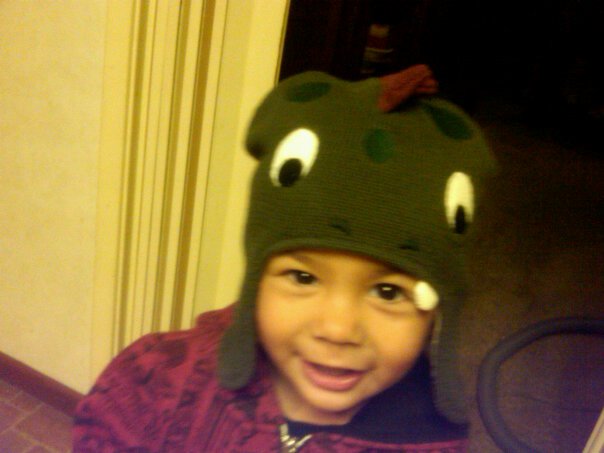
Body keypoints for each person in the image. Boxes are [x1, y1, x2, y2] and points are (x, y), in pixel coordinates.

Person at [73, 65, 495, 452]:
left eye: (388, 291)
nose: (337, 329)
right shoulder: (161, 379)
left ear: (437, 308)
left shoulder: (431, 442)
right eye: (302, 277)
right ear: (258, 277)